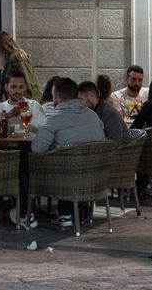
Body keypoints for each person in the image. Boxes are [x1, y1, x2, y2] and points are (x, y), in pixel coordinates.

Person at [30, 77, 106, 229]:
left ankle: (25, 214)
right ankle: (71, 213)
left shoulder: (55, 119)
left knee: (26, 164)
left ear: (57, 97)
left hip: (66, 179)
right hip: (97, 176)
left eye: (53, 95)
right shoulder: (93, 115)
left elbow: (37, 149)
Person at [0, 32, 38, 104]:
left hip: (27, 101)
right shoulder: (10, 59)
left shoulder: (17, 57)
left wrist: (25, 102)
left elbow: (26, 80)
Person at [79, 78, 131, 144]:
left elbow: (115, 142)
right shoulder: (97, 110)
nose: (79, 103)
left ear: (90, 97)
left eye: (80, 99)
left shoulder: (109, 113)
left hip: (121, 152)